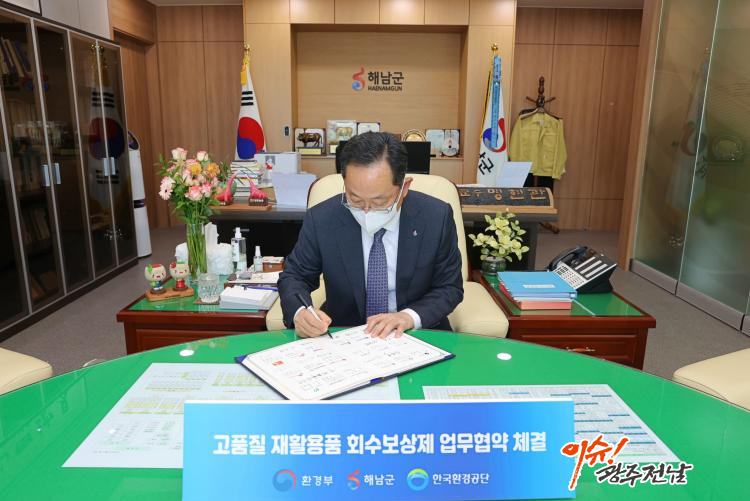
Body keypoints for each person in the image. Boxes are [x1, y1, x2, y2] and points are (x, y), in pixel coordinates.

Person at [278, 132, 463, 339]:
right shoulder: (323, 218)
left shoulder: (435, 217)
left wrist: (408, 317)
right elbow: (295, 276)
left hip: (417, 334)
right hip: (345, 335)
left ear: (404, 188)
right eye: (355, 199)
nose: (366, 211)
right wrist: (300, 313)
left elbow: (449, 288)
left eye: (379, 202)